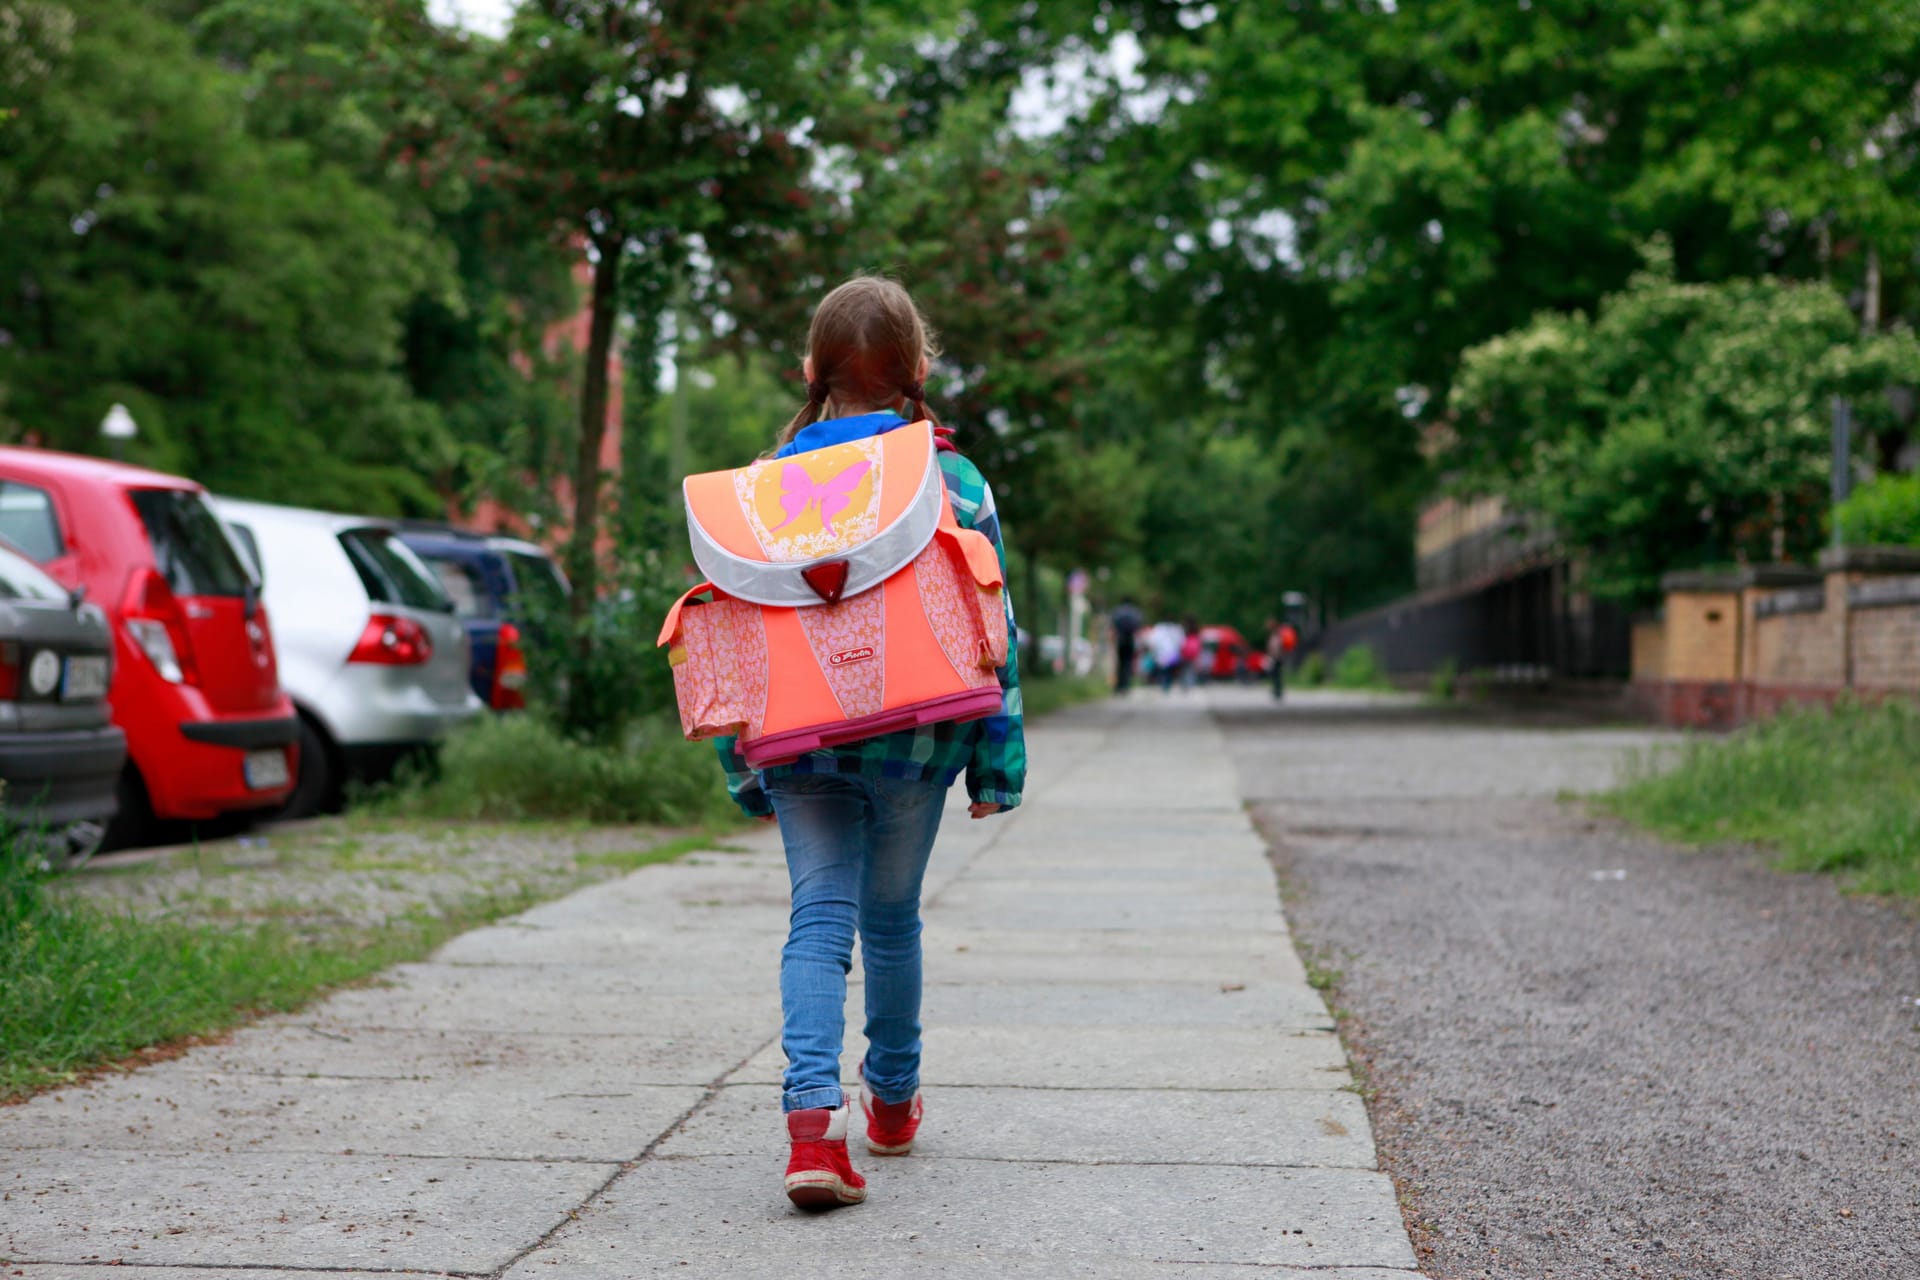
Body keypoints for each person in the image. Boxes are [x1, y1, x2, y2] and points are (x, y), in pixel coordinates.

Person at [710, 276, 1025, 1211]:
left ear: (809, 371)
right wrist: (997, 761)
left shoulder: (763, 490)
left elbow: (741, 635)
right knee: (891, 922)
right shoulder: (955, 481)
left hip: (801, 744)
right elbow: (993, 624)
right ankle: (891, 1103)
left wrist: (743, 762)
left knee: (818, 924)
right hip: (917, 743)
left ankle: (814, 1127)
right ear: (919, 369)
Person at [1110, 597, 1143, 693]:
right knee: (1128, 663)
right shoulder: (1135, 612)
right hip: (1131, 640)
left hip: (1120, 639)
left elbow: (1112, 626)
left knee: (1119, 663)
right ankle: (1126, 686)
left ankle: (1118, 686)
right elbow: (1138, 627)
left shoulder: (1117, 611)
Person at [1178, 615, 1203, 691]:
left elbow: (1180, 641)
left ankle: (1185, 684)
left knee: (1184, 670)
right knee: (1190, 670)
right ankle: (1189, 685)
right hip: (1193, 653)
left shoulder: (1183, 629)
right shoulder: (1196, 630)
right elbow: (1199, 642)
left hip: (1184, 652)